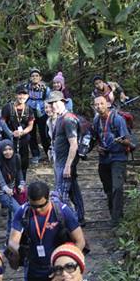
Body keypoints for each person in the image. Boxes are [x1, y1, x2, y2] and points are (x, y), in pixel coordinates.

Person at [7, 180, 85, 281]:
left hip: (60, 271)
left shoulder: (62, 211)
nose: (37, 210)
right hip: (34, 269)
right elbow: (12, 241)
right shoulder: (24, 212)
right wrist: (18, 251)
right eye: (33, 206)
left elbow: (80, 241)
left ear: (48, 198)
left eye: (41, 206)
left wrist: (65, 270)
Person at [43, 92, 85, 225]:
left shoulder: (68, 119)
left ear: (63, 101)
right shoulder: (60, 118)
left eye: (56, 102)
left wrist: (68, 166)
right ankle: (80, 218)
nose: (53, 106)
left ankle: (67, 223)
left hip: (65, 163)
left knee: (61, 195)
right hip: (60, 162)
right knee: (73, 191)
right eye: (51, 103)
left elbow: (74, 144)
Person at [91, 94, 133, 227]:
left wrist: (120, 141)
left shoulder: (117, 119)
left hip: (118, 157)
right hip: (104, 158)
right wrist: (98, 147)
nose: (99, 106)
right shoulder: (96, 120)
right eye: (96, 104)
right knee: (108, 189)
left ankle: (116, 219)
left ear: (107, 104)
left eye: (101, 103)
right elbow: (96, 138)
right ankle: (114, 214)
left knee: (117, 188)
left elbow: (128, 140)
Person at [0, 139, 26, 234]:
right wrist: (6, 188)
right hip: (1, 191)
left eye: (10, 149)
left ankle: (9, 237)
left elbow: (19, 172)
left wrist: (21, 184)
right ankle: (19, 235)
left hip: (13, 189)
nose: (8, 152)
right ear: (1, 150)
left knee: (12, 214)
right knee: (18, 210)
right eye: (5, 150)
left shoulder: (16, 157)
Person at [1, 84, 35, 179]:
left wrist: (22, 132)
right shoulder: (8, 107)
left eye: (25, 94)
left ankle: (22, 182)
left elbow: (30, 125)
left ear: (28, 96)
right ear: (16, 95)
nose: (22, 97)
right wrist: (11, 133)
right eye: (20, 94)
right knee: (9, 161)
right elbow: (2, 122)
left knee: (24, 162)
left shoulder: (29, 109)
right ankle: (10, 182)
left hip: (23, 139)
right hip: (10, 139)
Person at [26, 68, 51, 163]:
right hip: (30, 113)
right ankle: (35, 155)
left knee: (44, 134)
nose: (35, 77)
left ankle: (49, 154)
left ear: (40, 77)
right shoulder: (27, 88)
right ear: (30, 78)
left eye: (37, 76)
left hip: (42, 113)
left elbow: (49, 100)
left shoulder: (45, 89)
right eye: (33, 76)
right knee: (31, 134)